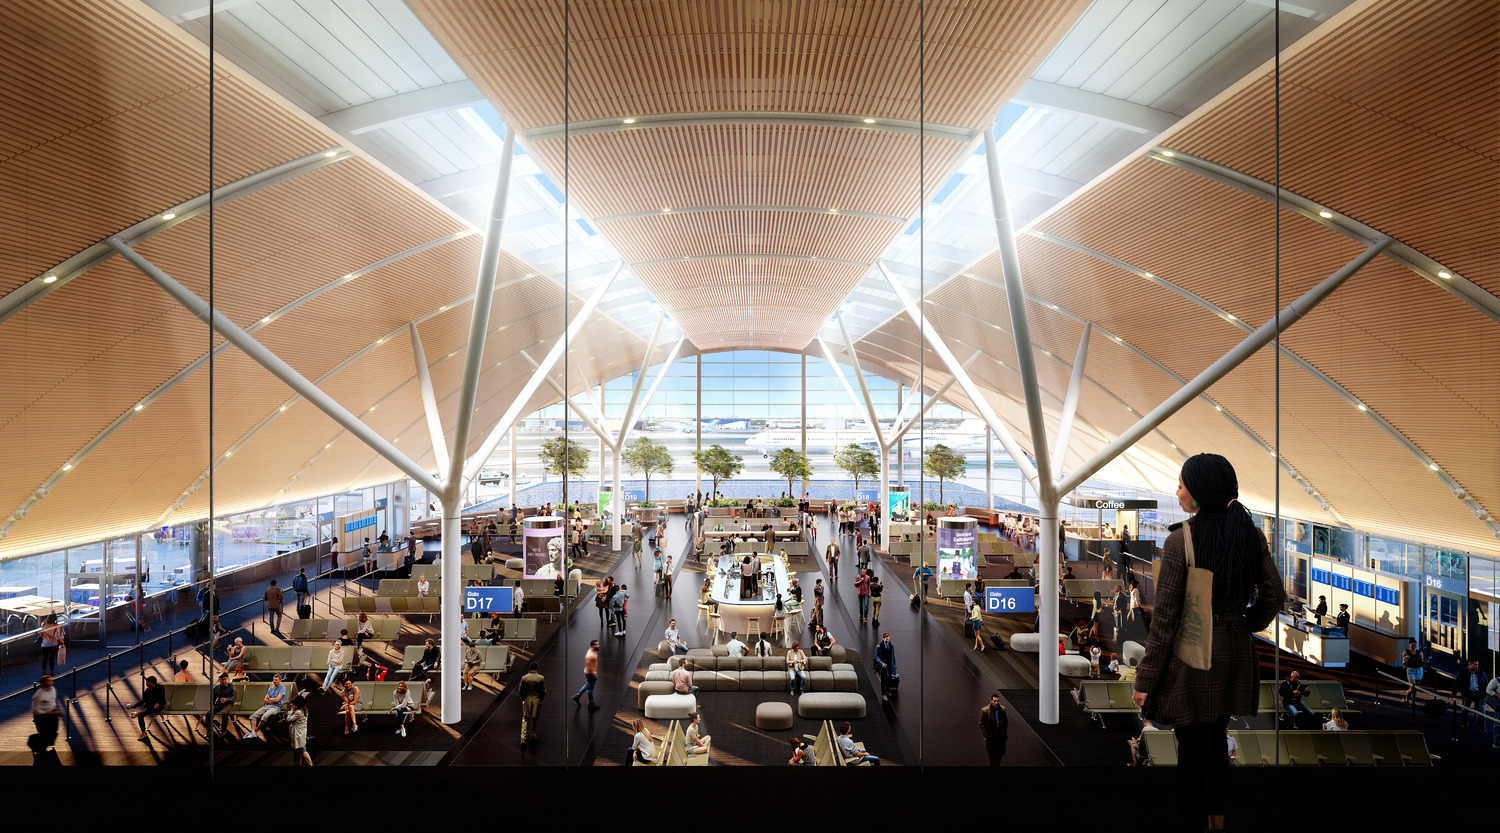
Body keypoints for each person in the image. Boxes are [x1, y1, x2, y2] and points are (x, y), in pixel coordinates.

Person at [1131, 453, 1283, 833]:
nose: (1177, 491)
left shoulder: (1181, 541)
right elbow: (1274, 595)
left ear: (1198, 494)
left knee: (1192, 749)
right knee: (1216, 738)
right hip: (1235, 653)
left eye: (1181, 485)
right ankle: (1217, 822)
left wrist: (1144, 682)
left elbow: (1165, 620)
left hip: (1195, 657)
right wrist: (1246, 624)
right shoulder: (1249, 533)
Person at [242, 674, 287, 740]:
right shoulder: (271, 688)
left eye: (276, 680)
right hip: (267, 706)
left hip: (276, 707)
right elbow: (265, 700)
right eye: (274, 680)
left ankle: (255, 732)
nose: (274, 681)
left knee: (264, 716)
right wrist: (272, 700)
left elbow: (278, 700)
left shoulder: (282, 688)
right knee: (253, 716)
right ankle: (253, 733)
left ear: (280, 680)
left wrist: (270, 699)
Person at [128, 674, 168, 741]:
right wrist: (134, 706)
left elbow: (162, 697)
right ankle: (144, 733)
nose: (146, 684)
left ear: (152, 683)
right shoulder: (147, 690)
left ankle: (140, 712)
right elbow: (144, 700)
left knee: (155, 707)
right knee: (140, 716)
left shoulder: (160, 687)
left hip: (159, 705)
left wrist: (157, 703)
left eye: (147, 682)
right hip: (150, 707)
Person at [1453, 659, 1490, 730]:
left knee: (1482, 712)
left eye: (1477, 664)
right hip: (1467, 693)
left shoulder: (1481, 672)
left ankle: (1482, 729)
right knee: (1465, 710)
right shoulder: (1463, 672)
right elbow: (1457, 682)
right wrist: (1454, 692)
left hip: (1479, 694)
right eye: (1475, 664)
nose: (1477, 666)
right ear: (1470, 665)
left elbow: (1485, 682)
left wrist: (1486, 693)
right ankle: (1464, 726)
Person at [30, 674, 60, 752]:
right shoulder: (39, 695)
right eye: (49, 681)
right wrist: (49, 713)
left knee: (53, 731)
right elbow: (36, 710)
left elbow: (52, 701)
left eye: (52, 680)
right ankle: (39, 749)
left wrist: (55, 710)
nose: (52, 682)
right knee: (44, 734)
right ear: (43, 683)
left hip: (52, 715)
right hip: (42, 718)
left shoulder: (52, 689)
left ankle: (46, 746)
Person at [519, 661, 546, 746]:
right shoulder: (541, 678)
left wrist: (524, 698)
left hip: (527, 700)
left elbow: (520, 691)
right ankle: (533, 735)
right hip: (536, 701)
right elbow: (544, 691)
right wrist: (540, 699)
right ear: (536, 668)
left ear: (529, 668)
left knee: (525, 719)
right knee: (535, 719)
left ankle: (523, 738)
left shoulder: (524, 678)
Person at [979, 693, 1008, 766]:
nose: (996, 703)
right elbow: (981, 723)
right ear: (991, 701)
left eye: (998, 701)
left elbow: (1005, 722)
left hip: (1000, 737)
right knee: (991, 758)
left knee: (999, 757)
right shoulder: (985, 710)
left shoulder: (1002, 709)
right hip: (991, 738)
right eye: (995, 701)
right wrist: (987, 735)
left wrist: (1004, 734)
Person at [573, 640, 600, 710]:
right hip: (590, 673)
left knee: (588, 685)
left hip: (590, 673)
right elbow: (588, 666)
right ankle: (590, 703)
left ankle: (578, 696)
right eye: (597, 645)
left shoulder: (592, 652)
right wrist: (594, 674)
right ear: (593, 646)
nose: (598, 646)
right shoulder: (590, 655)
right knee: (590, 688)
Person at [286, 695, 312, 766]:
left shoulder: (298, 712)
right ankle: (299, 764)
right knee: (298, 750)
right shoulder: (305, 710)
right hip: (302, 731)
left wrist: (291, 711)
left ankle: (311, 764)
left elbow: (288, 719)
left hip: (297, 732)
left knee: (301, 749)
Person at [1401, 638, 1426, 707]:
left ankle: (1413, 702)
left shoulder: (1420, 653)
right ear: (1409, 644)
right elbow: (1403, 662)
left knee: (1416, 688)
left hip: (1419, 670)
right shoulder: (1406, 652)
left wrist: (1425, 662)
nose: (1414, 647)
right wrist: (1405, 660)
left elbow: (1421, 662)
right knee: (1412, 687)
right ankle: (1407, 698)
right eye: (1412, 645)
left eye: (1415, 645)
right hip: (1410, 670)